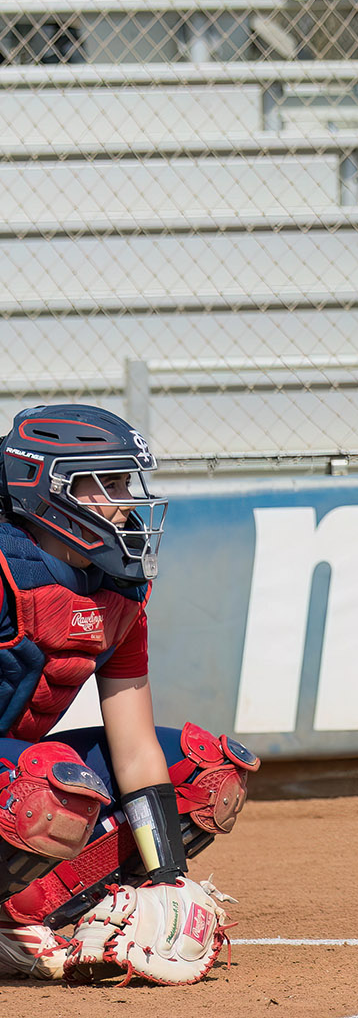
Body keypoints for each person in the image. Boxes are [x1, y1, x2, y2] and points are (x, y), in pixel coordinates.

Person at [0, 404, 256, 984]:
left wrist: (169, 876)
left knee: (204, 774)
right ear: (47, 489)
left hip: (13, 768)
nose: (127, 501)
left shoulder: (117, 589)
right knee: (49, 787)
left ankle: (19, 914)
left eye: (127, 482)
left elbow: (136, 749)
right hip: (16, 778)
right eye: (108, 484)